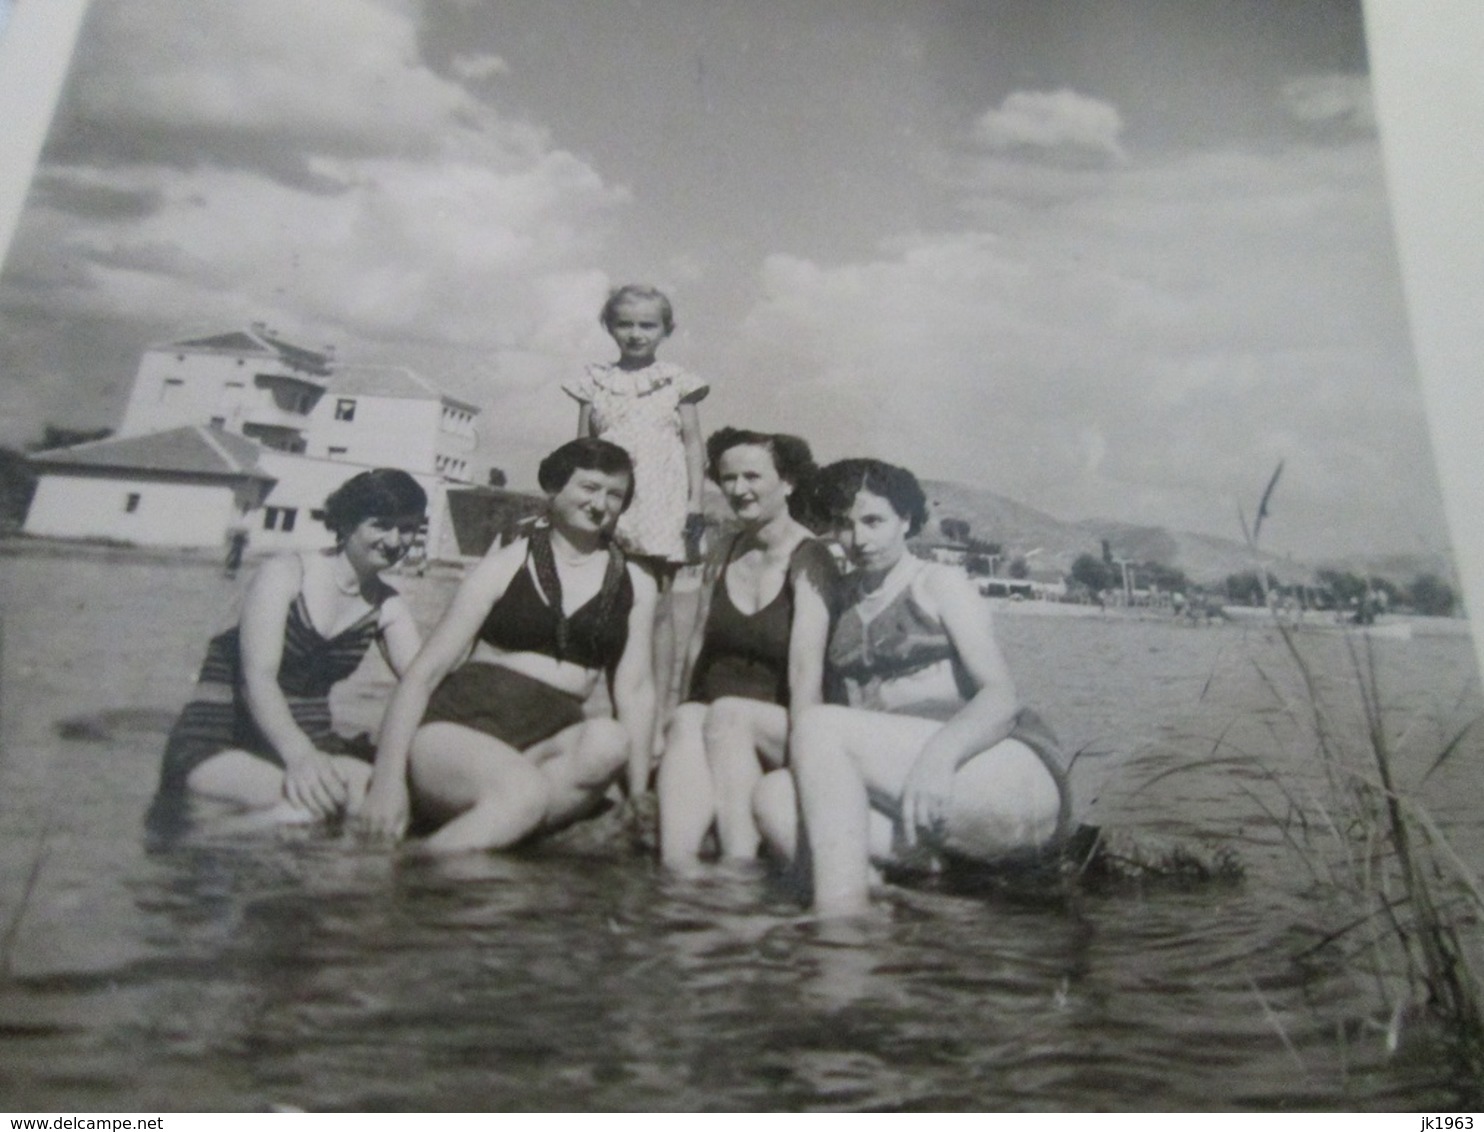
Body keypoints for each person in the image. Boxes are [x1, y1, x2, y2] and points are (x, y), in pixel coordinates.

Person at [753, 459, 1072, 917]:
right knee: (772, 798)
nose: (859, 539)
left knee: (820, 726)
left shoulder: (939, 583)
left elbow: (1001, 695)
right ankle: (902, 899)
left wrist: (940, 755)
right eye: (843, 525)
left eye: (874, 521)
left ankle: (839, 926)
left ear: (906, 521)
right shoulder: (840, 597)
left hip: (989, 768)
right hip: (916, 792)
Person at [354, 439, 658, 854]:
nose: (600, 503)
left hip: (549, 741)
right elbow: (425, 674)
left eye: (614, 494)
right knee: (523, 796)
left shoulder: (636, 584)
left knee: (609, 741)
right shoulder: (507, 563)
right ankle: (412, 874)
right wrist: (387, 782)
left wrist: (638, 797)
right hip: (461, 729)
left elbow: (636, 692)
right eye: (588, 488)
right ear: (555, 489)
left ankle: (475, 839)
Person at [148, 469, 428, 834]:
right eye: (381, 525)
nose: (395, 541)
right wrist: (301, 758)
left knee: (387, 805)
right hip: (219, 739)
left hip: (314, 744)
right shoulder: (284, 574)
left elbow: (425, 682)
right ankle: (185, 846)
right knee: (305, 810)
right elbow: (257, 680)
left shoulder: (388, 606)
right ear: (347, 522)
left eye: (407, 528)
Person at [656, 428, 835, 870]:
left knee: (726, 714)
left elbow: (805, 672)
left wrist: (806, 762)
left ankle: (738, 867)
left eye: (752, 477)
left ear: (788, 481)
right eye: (728, 479)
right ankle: (677, 871)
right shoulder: (723, 549)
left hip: (778, 729)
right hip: (717, 723)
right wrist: (678, 714)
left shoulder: (812, 559)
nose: (738, 490)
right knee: (688, 717)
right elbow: (697, 643)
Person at [561, 285, 707, 741]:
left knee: (658, 610)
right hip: (606, 505)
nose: (636, 333)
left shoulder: (676, 381)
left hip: (659, 505)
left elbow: (692, 445)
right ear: (609, 326)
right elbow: (580, 450)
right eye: (625, 323)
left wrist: (695, 504)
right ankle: (618, 717)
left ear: (665, 329)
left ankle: (659, 722)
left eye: (648, 324)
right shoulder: (594, 381)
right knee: (607, 608)